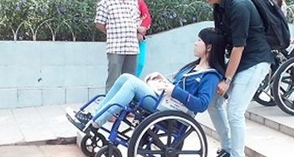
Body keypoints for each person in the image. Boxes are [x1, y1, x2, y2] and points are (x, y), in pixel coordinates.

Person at [194, 0, 273, 157]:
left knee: (235, 110)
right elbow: (221, 41)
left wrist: (227, 80)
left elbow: (239, 46)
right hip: (239, 61)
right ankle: (227, 149)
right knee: (213, 101)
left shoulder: (238, 5)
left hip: (255, 60)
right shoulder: (219, 7)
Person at [66, 28, 226, 130]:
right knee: (125, 77)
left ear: (209, 47)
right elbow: (176, 87)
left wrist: (174, 90)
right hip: (165, 102)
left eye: (199, 40)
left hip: (175, 113)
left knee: (132, 84)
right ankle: (94, 115)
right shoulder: (193, 67)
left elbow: (202, 105)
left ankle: (95, 123)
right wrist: (163, 80)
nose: (195, 43)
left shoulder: (210, 76)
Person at [95, 0, 142, 93]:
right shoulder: (105, 2)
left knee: (131, 80)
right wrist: (112, 33)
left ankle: (127, 108)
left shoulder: (133, 1)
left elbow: (136, 20)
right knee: (113, 79)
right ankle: (110, 107)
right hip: (116, 47)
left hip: (132, 46)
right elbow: (100, 24)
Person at [129, 0, 152, 77]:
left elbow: (147, 18)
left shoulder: (140, 3)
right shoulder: (119, 5)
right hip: (126, 41)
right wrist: (136, 31)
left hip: (140, 39)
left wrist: (140, 31)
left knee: (140, 63)